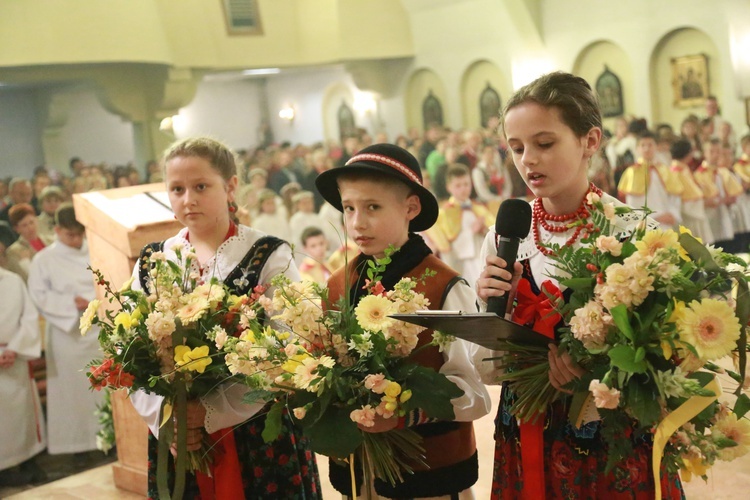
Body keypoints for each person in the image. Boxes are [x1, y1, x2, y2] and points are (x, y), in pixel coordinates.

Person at [476, 72, 684, 499]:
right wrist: (492, 306)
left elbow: (668, 356)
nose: (527, 160)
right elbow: (489, 364)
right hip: (528, 423)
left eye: (544, 144)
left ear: (590, 140)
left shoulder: (633, 230)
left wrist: (599, 370)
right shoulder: (506, 235)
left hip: (610, 433)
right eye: (516, 148)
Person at [129, 137, 321, 499]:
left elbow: (289, 344)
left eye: (201, 186)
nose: (188, 198)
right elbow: (130, 350)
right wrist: (170, 417)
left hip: (257, 433)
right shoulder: (155, 259)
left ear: (231, 186)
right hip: (180, 438)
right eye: (177, 189)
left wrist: (213, 411)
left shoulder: (268, 254)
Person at [315, 142, 491, 499]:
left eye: (372, 207)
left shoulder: (443, 286)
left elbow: (475, 395)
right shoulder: (336, 285)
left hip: (430, 471)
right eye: (348, 208)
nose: (356, 222)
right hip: (361, 470)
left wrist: (403, 413)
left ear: (411, 207)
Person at [27, 203, 102, 455]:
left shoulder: (95, 250)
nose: (77, 239)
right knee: (72, 393)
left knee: (103, 387)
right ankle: (76, 447)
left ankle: (108, 440)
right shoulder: (43, 259)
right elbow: (38, 296)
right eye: (70, 234)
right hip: (66, 334)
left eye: (80, 233)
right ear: (57, 230)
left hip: (97, 330)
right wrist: (71, 305)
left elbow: (109, 282)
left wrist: (93, 301)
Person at [0, 266, 46, 487]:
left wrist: (14, 348)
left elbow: (29, 318)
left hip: (14, 357)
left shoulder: (13, 280)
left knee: (22, 415)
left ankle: (28, 462)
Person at [434, 164, 494, 286]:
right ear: (448, 187)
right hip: (463, 263)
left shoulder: (478, 207)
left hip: (482, 256)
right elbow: (448, 244)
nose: (463, 189)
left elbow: (492, 230)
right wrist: (471, 231)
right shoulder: (445, 213)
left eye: (466, 184)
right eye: (458, 185)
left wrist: (483, 230)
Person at [617, 130, 682, 229]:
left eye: (650, 145)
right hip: (644, 225)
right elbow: (632, 203)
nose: (646, 149)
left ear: (656, 147)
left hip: (666, 223)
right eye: (643, 145)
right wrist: (654, 217)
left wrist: (673, 214)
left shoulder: (665, 170)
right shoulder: (632, 172)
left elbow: (674, 196)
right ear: (637, 148)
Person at [694, 138, 742, 252]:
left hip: (725, 219)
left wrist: (730, 200)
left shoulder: (723, 172)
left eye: (718, 152)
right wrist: (718, 201)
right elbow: (700, 200)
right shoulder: (699, 174)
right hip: (710, 220)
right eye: (711, 151)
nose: (715, 155)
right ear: (705, 153)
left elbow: (734, 194)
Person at [670, 139, 714, 244]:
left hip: (694, 215)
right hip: (688, 219)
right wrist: (702, 204)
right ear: (688, 153)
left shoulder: (684, 169)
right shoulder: (676, 173)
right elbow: (681, 202)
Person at [6, 203, 53, 281]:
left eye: (32, 222)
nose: (30, 228)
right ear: (17, 229)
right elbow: (24, 278)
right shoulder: (14, 251)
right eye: (24, 225)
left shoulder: (51, 241)